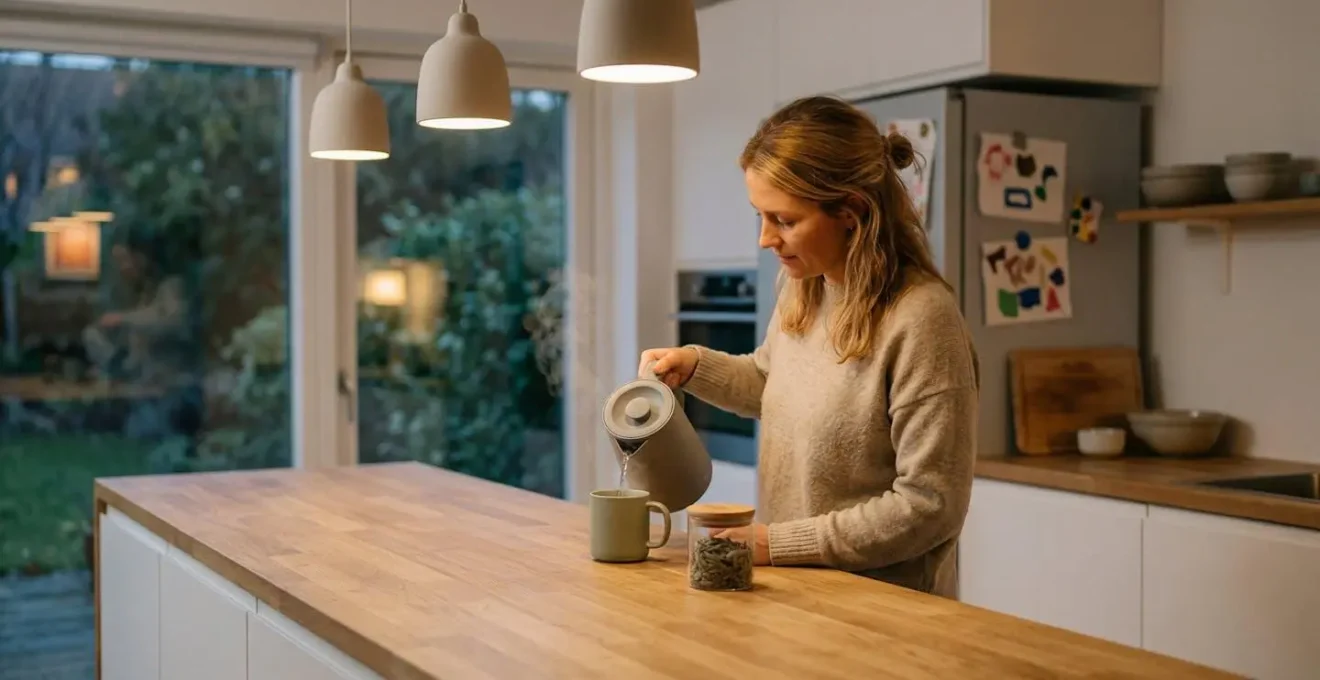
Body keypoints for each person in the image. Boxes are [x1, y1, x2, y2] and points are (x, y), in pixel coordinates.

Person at [640, 96, 980, 598]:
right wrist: (694, 365)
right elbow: (772, 384)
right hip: (796, 595)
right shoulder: (805, 288)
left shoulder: (922, 319)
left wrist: (777, 544)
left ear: (852, 212)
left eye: (784, 220)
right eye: (760, 215)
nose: (764, 239)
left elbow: (929, 505)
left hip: (886, 613)